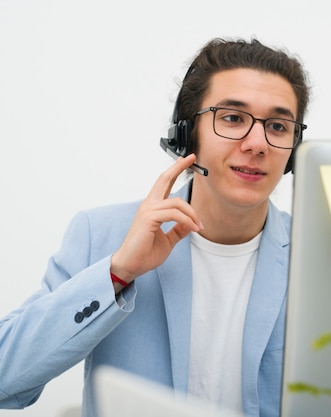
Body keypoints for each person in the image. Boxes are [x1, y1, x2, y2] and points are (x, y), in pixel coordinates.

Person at [0, 37, 311, 417]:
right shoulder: (101, 234)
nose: (257, 143)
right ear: (186, 134)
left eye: (278, 126)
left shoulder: (317, 256)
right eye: (232, 118)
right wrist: (117, 273)